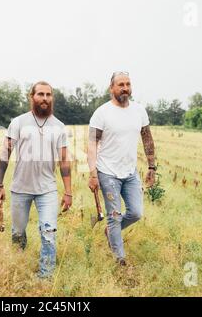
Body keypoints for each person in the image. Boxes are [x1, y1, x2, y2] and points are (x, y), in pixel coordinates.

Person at [0, 81, 72, 278]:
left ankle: (45, 277)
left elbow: (64, 161)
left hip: (47, 189)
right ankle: (18, 265)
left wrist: (68, 192)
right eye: (41, 94)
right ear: (32, 97)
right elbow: (5, 154)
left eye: (48, 95)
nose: (45, 98)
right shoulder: (18, 123)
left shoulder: (59, 127)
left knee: (49, 233)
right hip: (20, 188)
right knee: (18, 233)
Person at [87, 71, 156, 266]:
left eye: (128, 84)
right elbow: (92, 144)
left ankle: (111, 231)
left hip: (130, 172)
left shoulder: (139, 111)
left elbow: (147, 138)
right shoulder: (101, 113)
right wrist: (93, 174)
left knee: (136, 213)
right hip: (107, 172)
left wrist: (152, 167)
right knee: (114, 216)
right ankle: (120, 259)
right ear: (112, 88)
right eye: (121, 85)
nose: (125, 88)